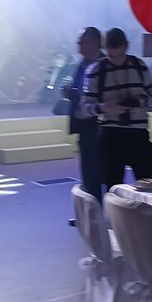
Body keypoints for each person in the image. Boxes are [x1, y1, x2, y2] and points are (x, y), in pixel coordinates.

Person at [77, 28, 152, 198]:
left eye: (120, 55)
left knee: (150, 187)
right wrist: (103, 108)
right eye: (112, 56)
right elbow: (84, 108)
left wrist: (138, 103)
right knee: (113, 190)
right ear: (105, 49)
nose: (116, 60)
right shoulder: (95, 70)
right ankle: (115, 216)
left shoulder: (139, 65)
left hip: (138, 134)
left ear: (126, 46)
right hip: (110, 136)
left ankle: (148, 215)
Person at [64, 27, 104, 197]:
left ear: (95, 42)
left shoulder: (105, 65)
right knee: (88, 172)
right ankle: (91, 206)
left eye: (82, 42)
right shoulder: (82, 64)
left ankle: (104, 207)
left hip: (100, 125)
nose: (79, 45)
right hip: (84, 126)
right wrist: (72, 93)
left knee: (102, 171)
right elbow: (82, 92)